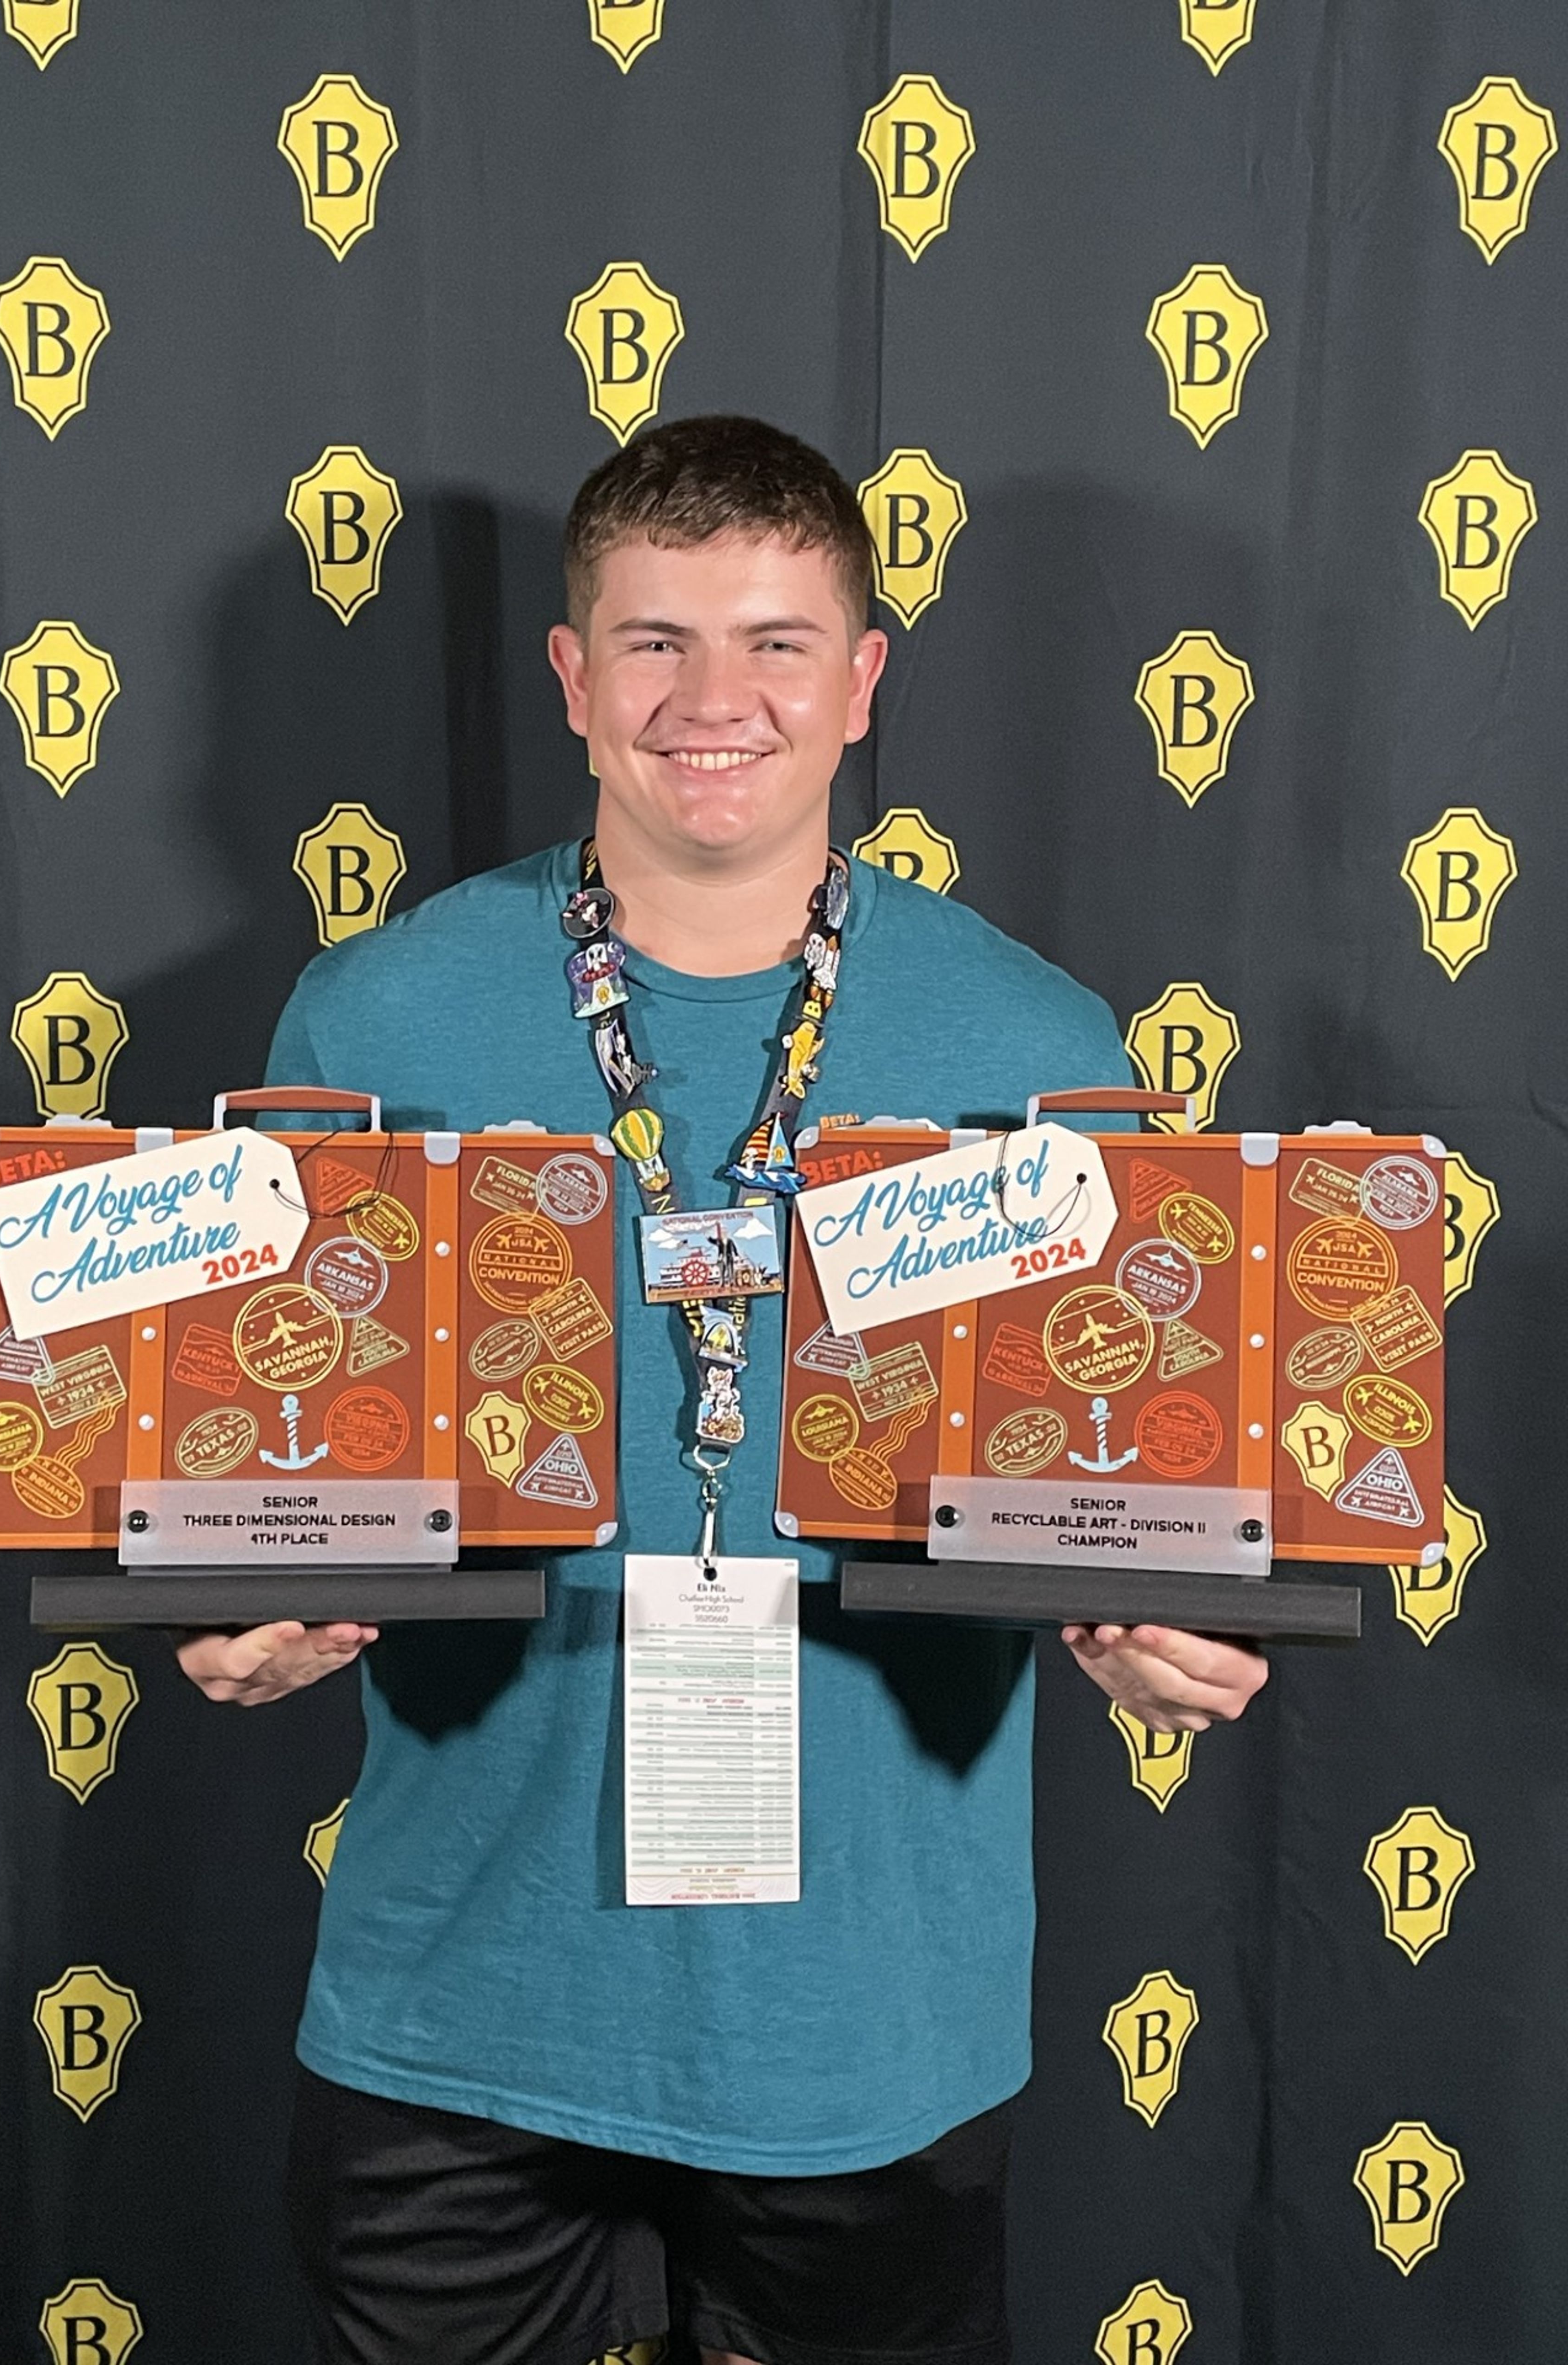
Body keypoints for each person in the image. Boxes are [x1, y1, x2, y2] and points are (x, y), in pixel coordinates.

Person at [179, 416, 1266, 2365]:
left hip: (868, 2008)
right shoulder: (375, 1014)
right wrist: (244, 1595)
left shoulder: (1039, 1042)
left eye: (776, 641)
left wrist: (1133, 1600)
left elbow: (1116, 1480)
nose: (714, 701)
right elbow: (283, 1462)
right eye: (658, 639)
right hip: (462, 1989)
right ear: (572, 676)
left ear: (861, 681)